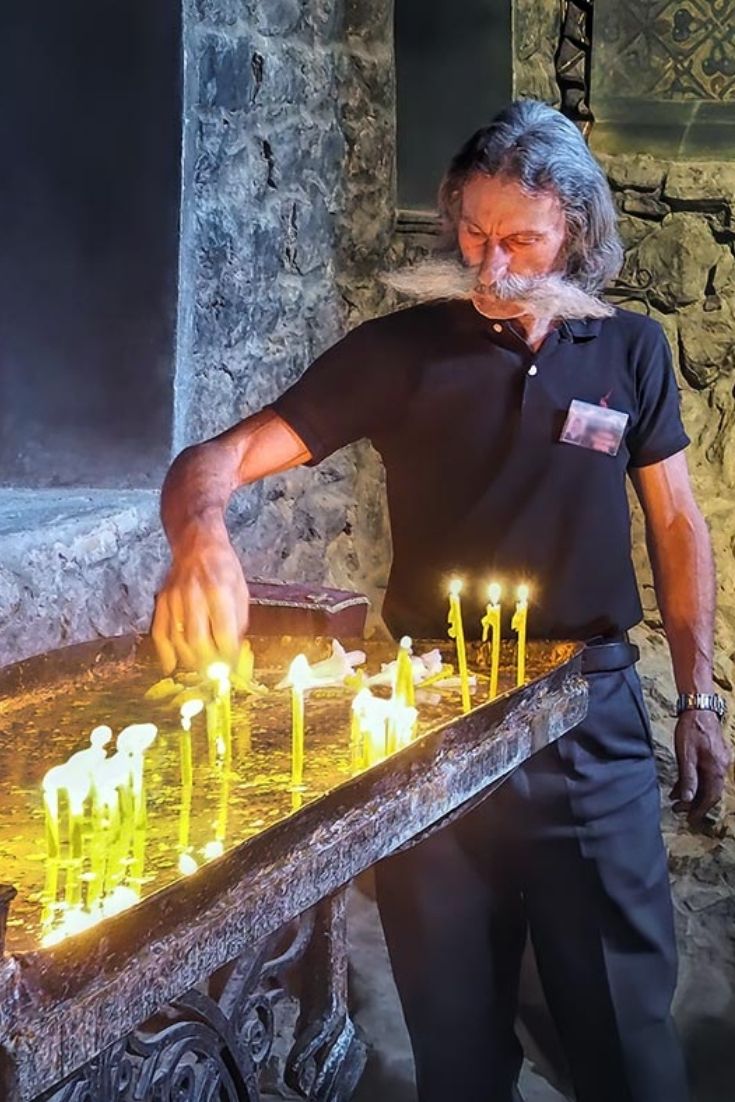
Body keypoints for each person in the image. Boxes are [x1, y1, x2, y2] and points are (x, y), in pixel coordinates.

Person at [152, 100, 731, 1101]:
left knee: (626, 1038)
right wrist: (200, 531)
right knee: (456, 1040)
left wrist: (701, 698)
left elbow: (678, 525)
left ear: (578, 234)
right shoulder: (402, 351)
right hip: (430, 727)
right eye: (472, 233)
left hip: (589, 720)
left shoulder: (631, 351)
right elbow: (219, 458)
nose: (490, 267)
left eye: (520, 239)